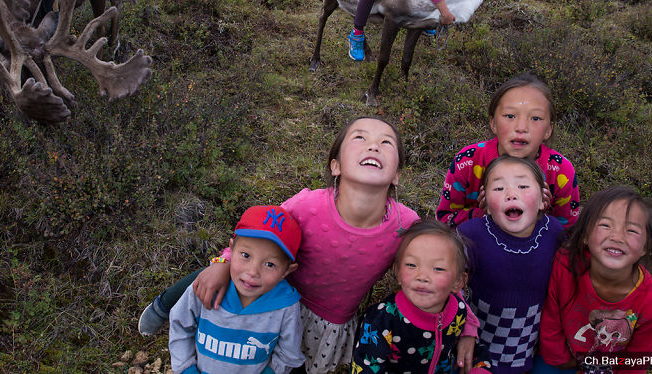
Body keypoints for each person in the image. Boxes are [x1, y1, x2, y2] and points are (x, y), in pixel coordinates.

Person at [140, 116, 480, 373]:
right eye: (359, 138)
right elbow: (258, 240)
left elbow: (441, 267)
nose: (373, 146)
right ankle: (165, 305)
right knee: (216, 275)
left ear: (396, 175)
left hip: (329, 318)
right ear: (335, 165)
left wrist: (467, 326)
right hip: (273, 289)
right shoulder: (307, 206)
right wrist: (224, 266)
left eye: (386, 143)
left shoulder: (405, 224)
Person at [535, 186, 652, 374]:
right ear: (584, 236)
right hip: (560, 359)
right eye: (605, 225)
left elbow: (636, 364)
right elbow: (551, 318)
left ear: (645, 247)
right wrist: (561, 360)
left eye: (631, 230)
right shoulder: (565, 263)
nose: (617, 237)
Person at [458, 156, 566, 374]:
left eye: (523, 186)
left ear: (542, 200)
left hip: (532, 351)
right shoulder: (471, 234)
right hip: (476, 349)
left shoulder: (554, 233)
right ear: (486, 204)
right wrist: (465, 330)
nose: (511, 193)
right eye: (498, 188)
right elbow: (449, 284)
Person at [169, 204, 305, 374]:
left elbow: (288, 353)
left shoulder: (286, 306)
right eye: (246, 255)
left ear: (287, 271)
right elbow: (180, 325)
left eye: (270, 264)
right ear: (232, 249)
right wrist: (186, 369)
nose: (253, 272)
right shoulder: (207, 286)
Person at [436, 72, 580, 229]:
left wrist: (538, 216)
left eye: (536, 118)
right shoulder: (468, 162)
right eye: (510, 116)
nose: (521, 128)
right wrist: (484, 214)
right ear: (493, 123)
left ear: (549, 129)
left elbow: (568, 235)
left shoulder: (561, 171)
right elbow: (444, 222)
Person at [351, 220, 492, 373]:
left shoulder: (458, 309)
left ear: (458, 282)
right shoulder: (381, 320)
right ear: (397, 271)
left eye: (438, 268)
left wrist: (481, 368)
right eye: (411, 265)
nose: (423, 276)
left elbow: (471, 349)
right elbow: (365, 368)